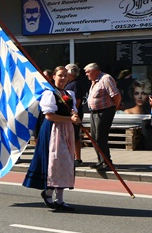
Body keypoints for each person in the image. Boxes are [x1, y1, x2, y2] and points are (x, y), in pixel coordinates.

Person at [23, 66, 80, 211]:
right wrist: (70, 119)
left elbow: (73, 113)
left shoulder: (69, 93)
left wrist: (75, 118)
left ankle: (60, 199)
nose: (63, 78)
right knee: (54, 162)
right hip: (53, 130)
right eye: (60, 75)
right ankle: (48, 192)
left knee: (66, 162)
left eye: (65, 76)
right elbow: (49, 116)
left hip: (66, 129)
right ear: (54, 77)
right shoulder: (49, 94)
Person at [84, 63, 121, 171]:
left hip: (104, 111)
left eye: (88, 72)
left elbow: (116, 95)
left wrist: (114, 107)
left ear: (95, 71)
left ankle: (107, 162)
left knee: (100, 136)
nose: (86, 74)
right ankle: (101, 161)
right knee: (94, 137)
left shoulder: (105, 78)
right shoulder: (94, 81)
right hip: (94, 112)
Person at [63, 63, 85, 166]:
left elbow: (78, 100)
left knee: (75, 136)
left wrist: (73, 112)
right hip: (69, 115)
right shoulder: (68, 84)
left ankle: (78, 158)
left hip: (74, 114)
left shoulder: (75, 84)